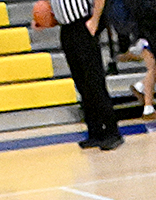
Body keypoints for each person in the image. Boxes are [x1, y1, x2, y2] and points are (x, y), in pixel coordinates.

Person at [45, 0, 123, 148]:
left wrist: (94, 21)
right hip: (66, 29)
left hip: (83, 25)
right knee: (81, 83)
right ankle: (95, 132)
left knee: (94, 80)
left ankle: (113, 132)